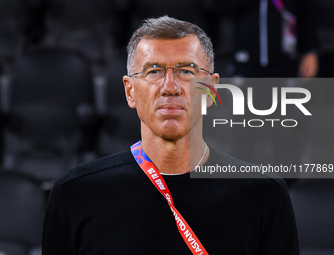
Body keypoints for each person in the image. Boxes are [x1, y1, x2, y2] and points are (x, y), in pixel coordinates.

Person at [42, 16, 299, 254]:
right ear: (130, 91)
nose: (170, 87)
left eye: (186, 71)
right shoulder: (75, 194)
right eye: (153, 71)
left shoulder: (264, 195)